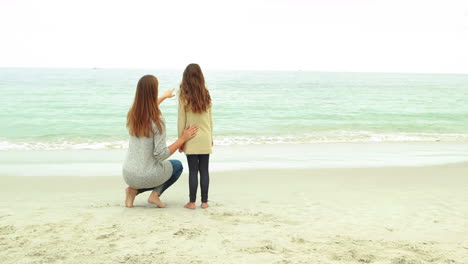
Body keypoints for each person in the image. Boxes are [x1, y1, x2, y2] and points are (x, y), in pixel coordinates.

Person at [122, 75, 198, 208]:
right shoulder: (158, 120)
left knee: (147, 172)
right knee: (177, 166)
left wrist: (164, 96)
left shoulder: (132, 114)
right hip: (145, 176)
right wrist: (183, 139)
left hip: (128, 174)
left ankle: (132, 191)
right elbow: (161, 154)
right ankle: (155, 195)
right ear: (153, 91)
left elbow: (146, 107)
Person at [178, 64, 213, 209]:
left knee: (193, 171)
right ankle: (204, 202)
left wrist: (181, 139)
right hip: (205, 137)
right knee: (204, 170)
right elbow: (210, 119)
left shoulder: (184, 95)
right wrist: (211, 137)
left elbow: (181, 120)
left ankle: (192, 202)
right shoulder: (206, 93)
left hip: (191, 137)